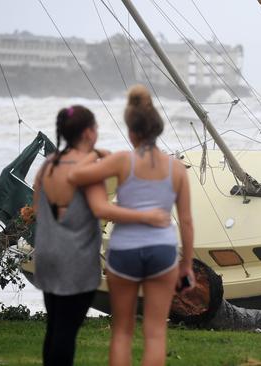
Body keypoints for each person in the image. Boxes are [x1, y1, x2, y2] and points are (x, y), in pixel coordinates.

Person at [32, 105, 170, 366]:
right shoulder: (89, 172)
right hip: (74, 261)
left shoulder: (49, 164)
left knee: (54, 326)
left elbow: (38, 207)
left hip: (47, 255)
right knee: (66, 331)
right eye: (95, 128)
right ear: (87, 133)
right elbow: (101, 209)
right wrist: (147, 217)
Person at [69, 85, 195, 366]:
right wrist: (186, 265)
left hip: (124, 251)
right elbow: (186, 221)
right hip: (162, 251)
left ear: (132, 131)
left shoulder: (122, 161)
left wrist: (96, 154)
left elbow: (76, 175)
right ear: (157, 129)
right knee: (155, 333)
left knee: (122, 332)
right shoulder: (177, 169)